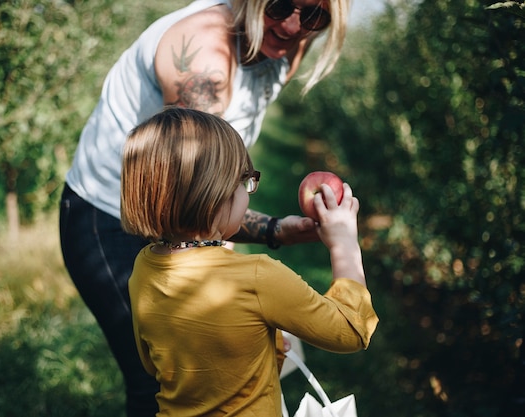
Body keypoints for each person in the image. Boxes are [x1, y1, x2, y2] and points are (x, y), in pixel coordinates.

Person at [59, 0, 352, 415]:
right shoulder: (202, 51)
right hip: (109, 217)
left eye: (314, 16)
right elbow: (196, 196)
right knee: (162, 378)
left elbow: (208, 208)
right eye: (281, 5)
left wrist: (274, 231)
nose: (291, 26)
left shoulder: (284, 42)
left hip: (186, 223)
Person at [121, 106, 378, 416]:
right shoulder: (258, 277)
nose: (249, 194)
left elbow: (154, 364)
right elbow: (351, 330)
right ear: (214, 195)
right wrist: (344, 243)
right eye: (244, 183)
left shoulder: (143, 268)